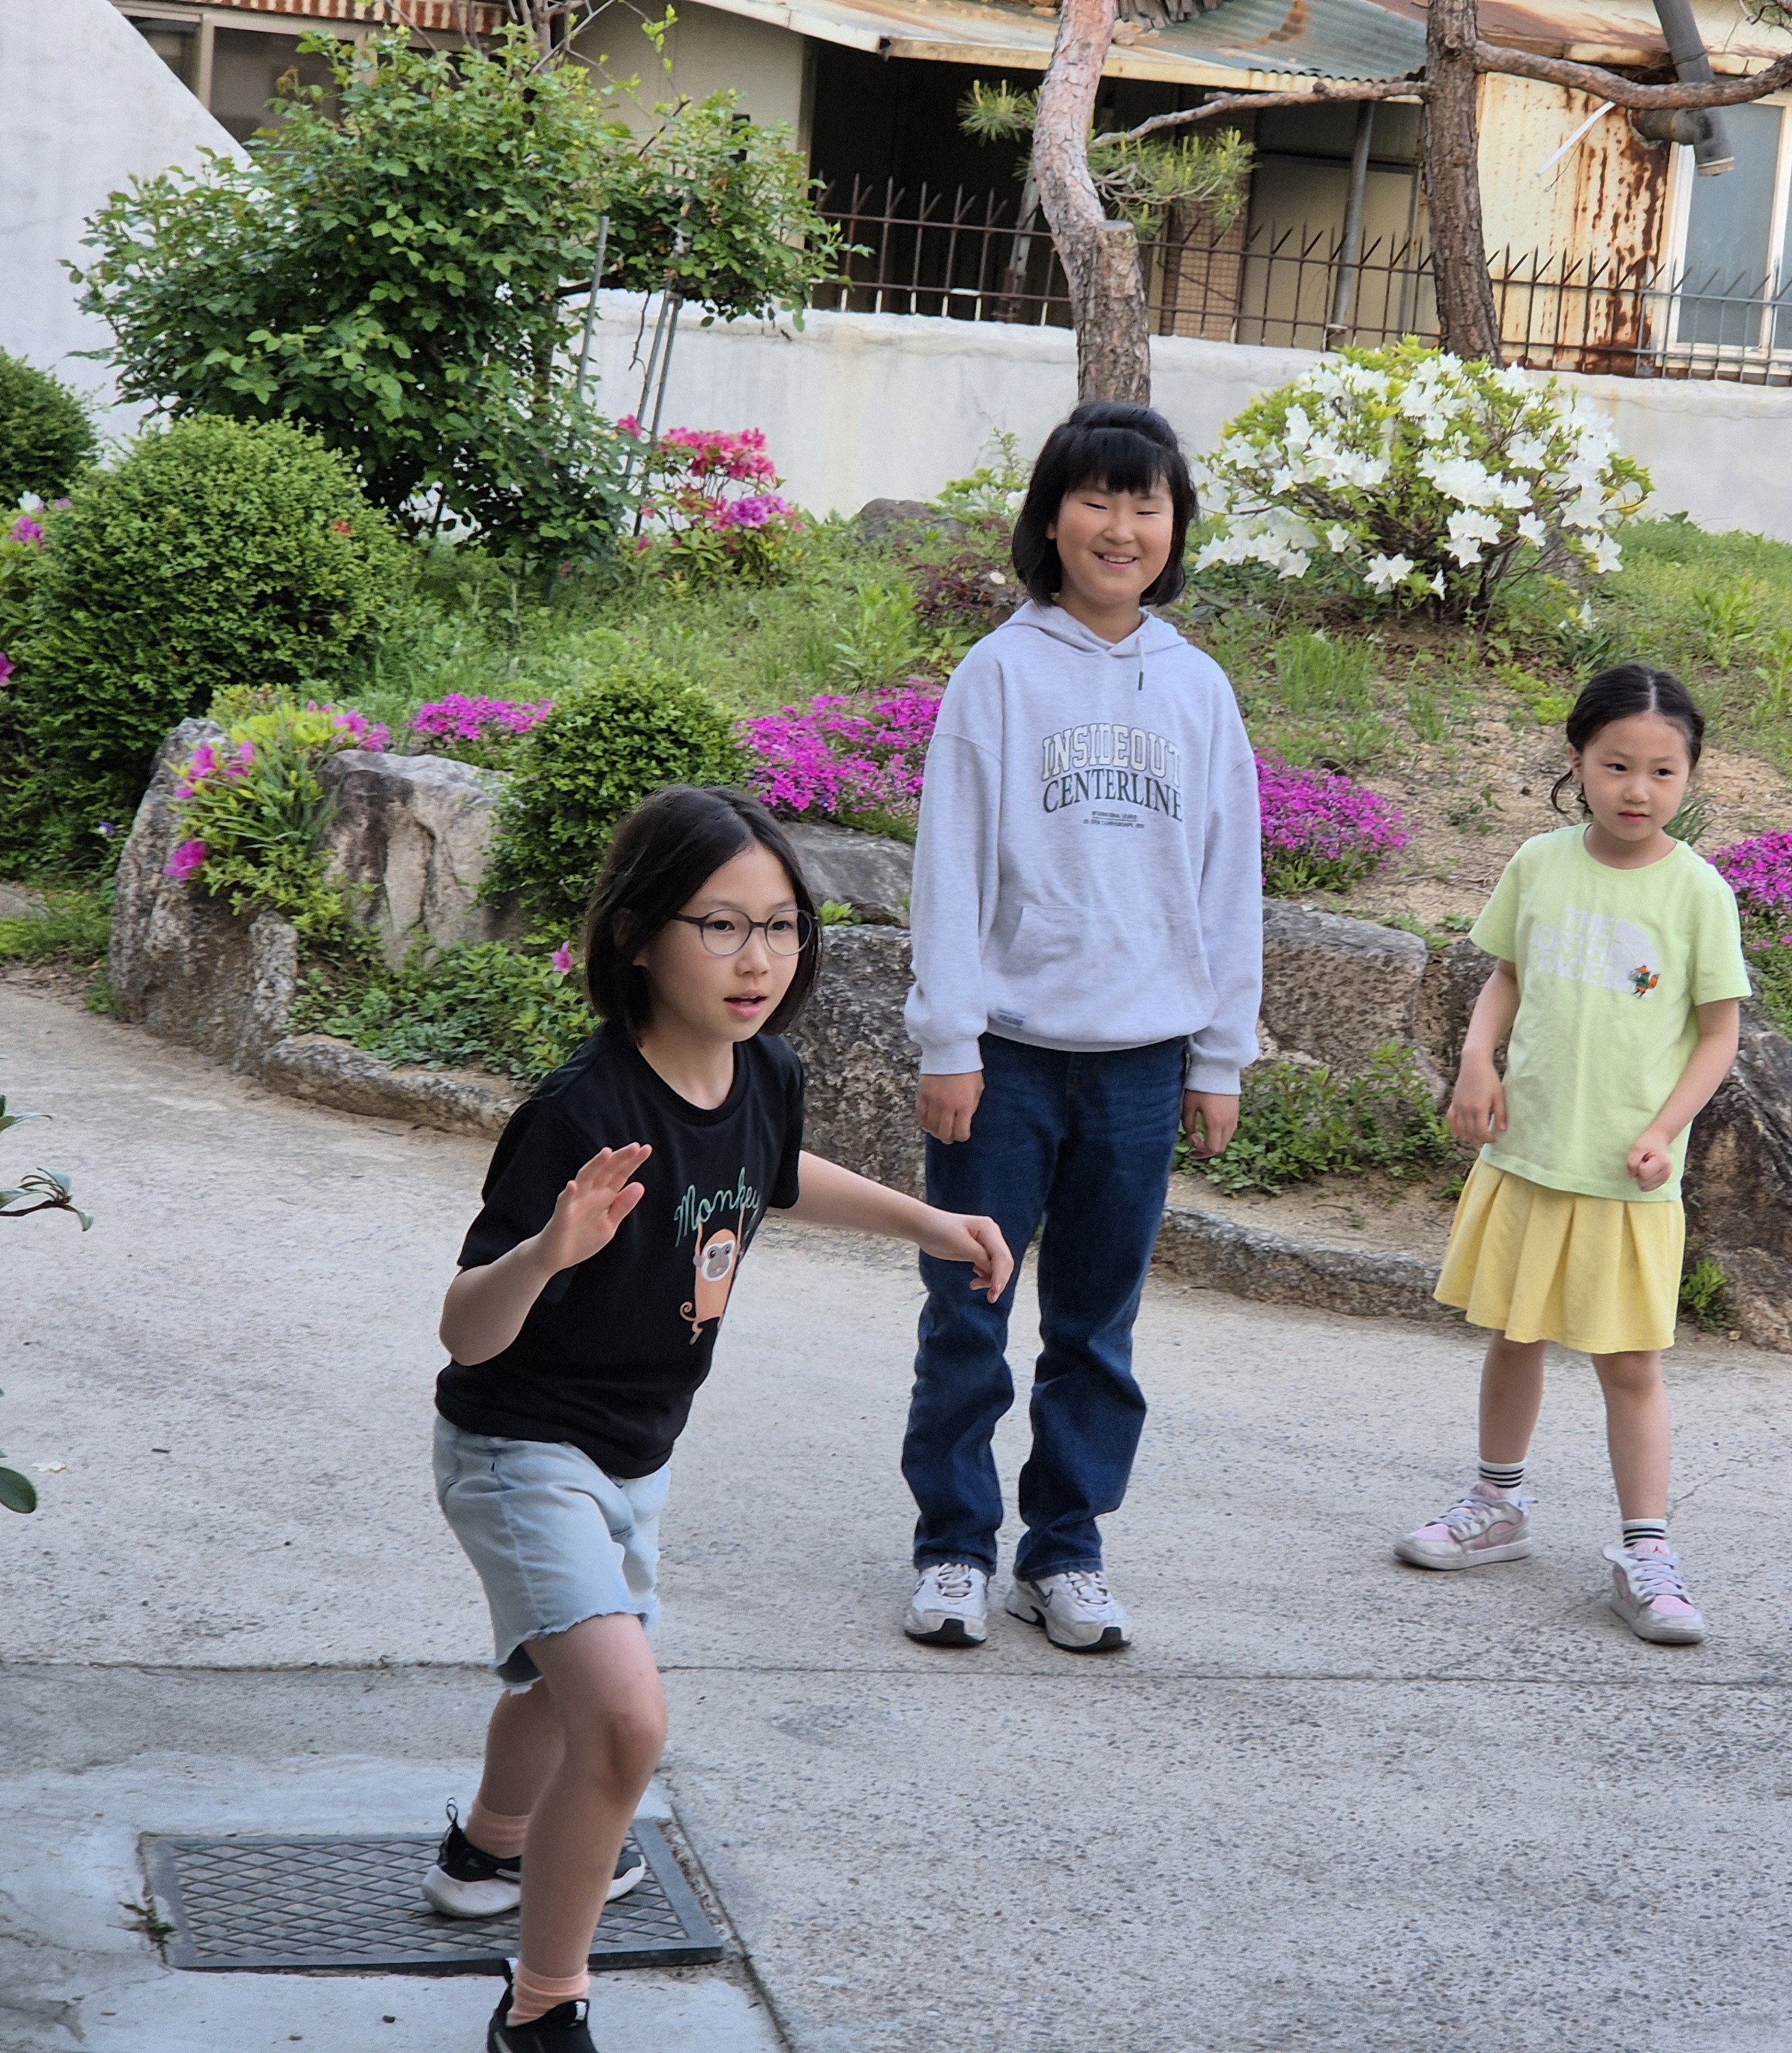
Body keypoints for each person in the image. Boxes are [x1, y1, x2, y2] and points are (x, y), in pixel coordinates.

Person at [424, 786, 1012, 2053]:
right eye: (721, 926)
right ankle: (543, 2009)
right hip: (521, 1448)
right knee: (624, 1718)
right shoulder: (581, 1114)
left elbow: (774, 1174)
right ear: (638, 935)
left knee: (565, 1678)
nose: (759, 960)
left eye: (782, 925)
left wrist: (928, 1222)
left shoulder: (764, 1073)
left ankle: (491, 1848)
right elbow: (466, 1333)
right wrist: (548, 1250)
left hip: (639, 1449)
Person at [898, 400, 1263, 1654]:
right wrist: (949, 1039)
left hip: (1142, 1068)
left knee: (1096, 1329)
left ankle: (1062, 1553)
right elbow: (949, 866)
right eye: (1094, 500)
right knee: (968, 1313)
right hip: (1004, 1059)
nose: (1120, 527)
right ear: (1049, 520)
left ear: (1175, 528)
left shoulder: (1198, 690)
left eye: (1144, 504)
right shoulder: (999, 674)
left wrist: (1220, 1055)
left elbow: (1229, 884)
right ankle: (953, 1549)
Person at [1396, 664, 1748, 1646]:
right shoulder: (1539, 863)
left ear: (1690, 775)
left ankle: (1648, 1553)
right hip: (1528, 1151)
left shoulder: (1697, 892)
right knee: (1514, 1334)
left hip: (1625, 1174)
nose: (1638, 790)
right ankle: (1495, 1504)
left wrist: (1664, 1129)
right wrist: (1477, 1061)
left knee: (1630, 1365)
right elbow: (1506, 977)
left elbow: (1718, 1033)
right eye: (1616, 765)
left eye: (1663, 771)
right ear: (1578, 762)